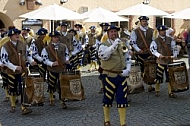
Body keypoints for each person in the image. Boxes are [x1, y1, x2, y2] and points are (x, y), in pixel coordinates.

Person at [98, 25, 132, 126]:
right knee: (108, 98)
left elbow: (127, 57)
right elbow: (103, 56)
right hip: (109, 75)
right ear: (108, 34)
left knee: (122, 98)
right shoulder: (103, 45)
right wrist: (113, 46)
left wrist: (128, 70)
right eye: (111, 32)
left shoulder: (122, 44)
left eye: (115, 32)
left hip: (121, 75)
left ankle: (123, 123)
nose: (114, 33)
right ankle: (107, 120)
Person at [1, 28, 37, 114]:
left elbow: (28, 55)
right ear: (10, 36)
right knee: (12, 88)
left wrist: (31, 61)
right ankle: (13, 105)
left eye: (18, 34)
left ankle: (23, 107)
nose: (17, 35)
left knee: (23, 87)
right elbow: (4, 60)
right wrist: (14, 67)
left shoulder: (23, 44)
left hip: (23, 70)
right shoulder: (5, 46)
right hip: (11, 71)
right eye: (14, 34)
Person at [41, 31, 70, 108]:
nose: (56, 39)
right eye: (54, 37)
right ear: (51, 38)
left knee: (62, 85)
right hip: (52, 69)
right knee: (51, 84)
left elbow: (67, 54)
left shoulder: (63, 46)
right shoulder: (47, 48)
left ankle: (62, 100)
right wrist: (51, 63)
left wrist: (67, 59)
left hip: (61, 68)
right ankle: (51, 99)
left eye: (57, 37)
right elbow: (44, 59)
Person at [150, 25, 178, 98]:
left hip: (169, 61)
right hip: (160, 61)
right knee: (158, 76)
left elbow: (174, 47)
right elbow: (153, 50)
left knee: (170, 77)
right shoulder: (155, 41)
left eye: (164, 30)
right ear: (159, 32)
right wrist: (159, 55)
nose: (164, 32)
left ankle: (170, 92)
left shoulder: (170, 39)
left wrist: (175, 55)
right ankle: (157, 90)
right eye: (162, 31)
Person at [130, 16, 155, 92]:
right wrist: (138, 49)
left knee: (149, 69)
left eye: (145, 21)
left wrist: (153, 50)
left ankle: (150, 85)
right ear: (140, 22)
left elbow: (154, 41)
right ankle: (139, 85)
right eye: (143, 21)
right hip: (140, 53)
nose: (144, 22)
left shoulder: (152, 31)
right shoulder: (135, 31)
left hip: (149, 53)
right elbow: (133, 42)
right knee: (141, 69)